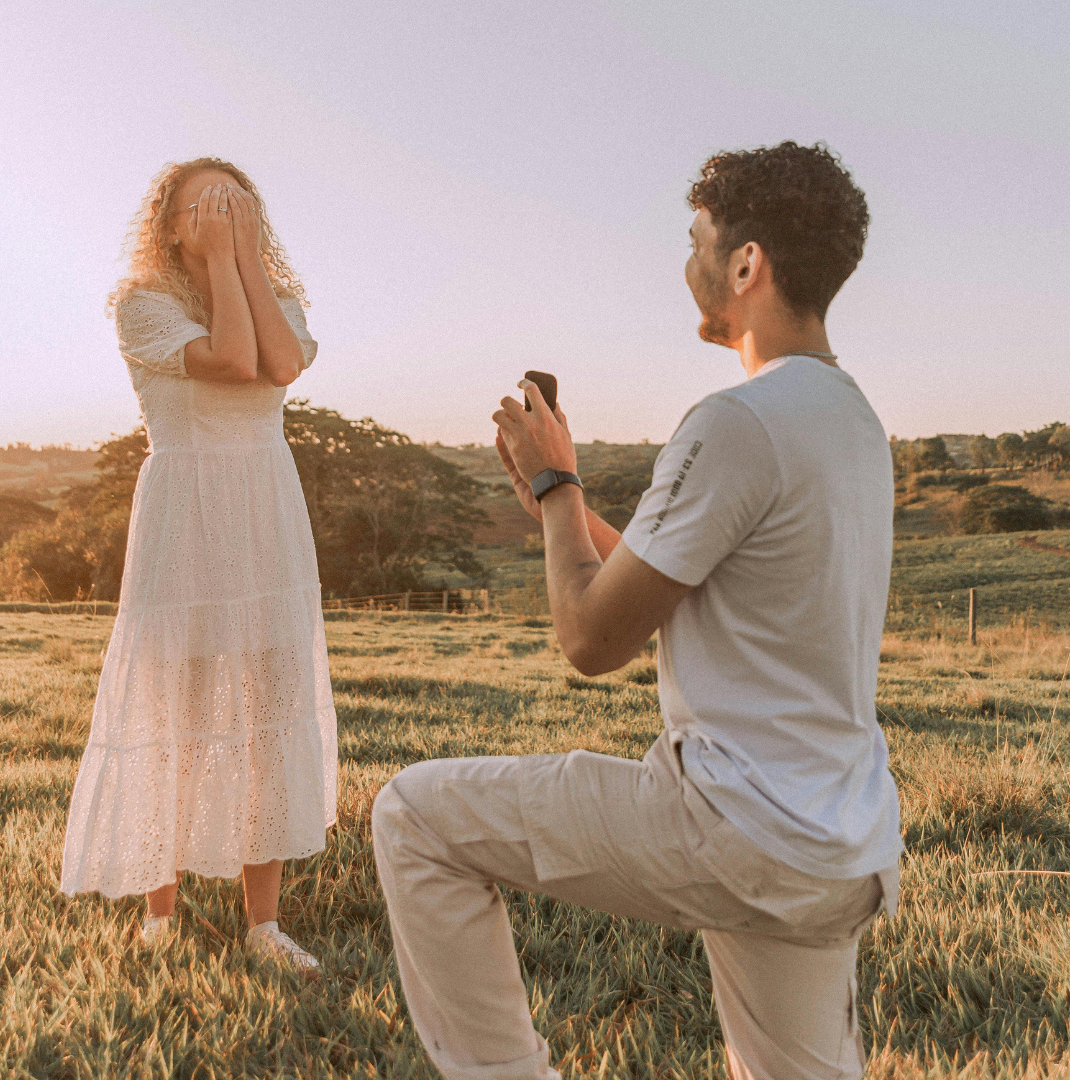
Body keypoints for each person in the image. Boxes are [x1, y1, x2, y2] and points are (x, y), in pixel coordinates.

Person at [370, 141, 903, 1079]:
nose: (686, 261)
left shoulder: (738, 421)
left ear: (746, 265)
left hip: (733, 826)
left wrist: (551, 489)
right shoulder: (854, 423)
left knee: (416, 815)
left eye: (696, 240)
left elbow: (589, 636)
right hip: (840, 845)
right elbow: (684, 570)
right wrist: (567, 488)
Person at [59, 157, 337, 971]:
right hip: (185, 513)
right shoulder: (140, 304)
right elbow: (229, 363)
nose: (220, 214)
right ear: (169, 225)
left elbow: (278, 365)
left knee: (270, 708)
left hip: (263, 509)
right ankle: (160, 914)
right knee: (170, 712)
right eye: (203, 206)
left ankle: (263, 925)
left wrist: (240, 258)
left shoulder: (280, 302)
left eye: (235, 204)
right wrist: (220, 259)